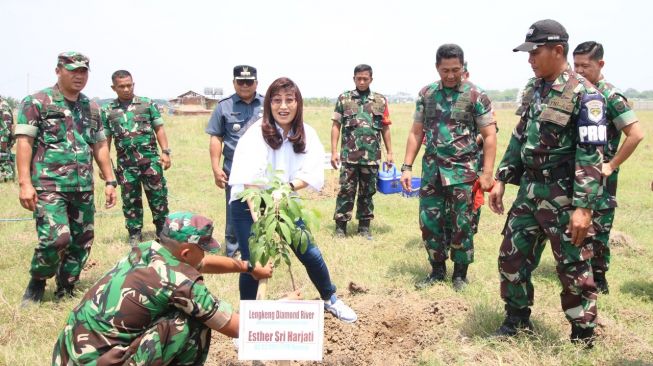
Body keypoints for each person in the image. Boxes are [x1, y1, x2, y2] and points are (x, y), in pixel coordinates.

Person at [489, 20, 606, 347]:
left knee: (573, 268)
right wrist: (502, 177)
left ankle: (582, 336)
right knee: (511, 257)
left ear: (558, 51)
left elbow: (590, 155)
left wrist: (583, 206)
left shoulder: (586, 95)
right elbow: (519, 135)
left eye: (535, 52)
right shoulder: (532, 88)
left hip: (565, 198)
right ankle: (516, 319)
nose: (529, 59)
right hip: (529, 193)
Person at [51, 211, 273, 365]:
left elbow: (201, 264)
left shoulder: (147, 250)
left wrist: (249, 267)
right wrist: (278, 310)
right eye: (203, 248)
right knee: (190, 321)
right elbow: (236, 327)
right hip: (102, 360)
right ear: (185, 253)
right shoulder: (182, 285)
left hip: (69, 354)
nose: (205, 254)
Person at [229, 77, 358, 323]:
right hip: (248, 203)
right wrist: (262, 226)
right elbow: (250, 183)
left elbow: (310, 174)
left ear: (298, 103)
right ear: (269, 105)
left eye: (289, 100)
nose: (283, 106)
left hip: (284, 201)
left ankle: (331, 299)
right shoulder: (255, 134)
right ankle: (246, 321)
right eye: (277, 100)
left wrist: (286, 190)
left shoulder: (306, 133)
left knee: (309, 251)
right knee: (254, 261)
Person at [15, 52, 117, 305]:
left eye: (83, 71)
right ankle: (38, 280)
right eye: (73, 71)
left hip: (82, 185)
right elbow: (24, 143)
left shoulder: (91, 106)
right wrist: (25, 183)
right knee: (56, 239)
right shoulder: (37, 102)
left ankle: (66, 287)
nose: (79, 76)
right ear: (58, 70)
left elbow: (100, 144)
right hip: (49, 185)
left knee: (82, 240)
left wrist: (110, 180)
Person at [400, 44, 497, 291]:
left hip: (463, 172)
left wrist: (487, 174)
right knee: (429, 222)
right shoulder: (427, 94)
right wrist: (407, 167)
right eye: (445, 70)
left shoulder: (476, 95)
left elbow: (489, 136)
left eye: (456, 69)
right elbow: (416, 133)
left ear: (463, 67)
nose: (451, 75)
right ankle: (437, 270)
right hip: (432, 172)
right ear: (437, 68)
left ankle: (460, 275)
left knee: (462, 223)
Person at [572, 41, 644, 294]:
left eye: (585, 66)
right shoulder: (576, 91)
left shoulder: (610, 96)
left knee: (599, 229)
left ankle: (599, 279)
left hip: (601, 178)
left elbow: (636, 134)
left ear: (600, 64)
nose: (579, 71)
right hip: (579, 174)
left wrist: (611, 165)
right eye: (576, 65)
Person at [101, 70, 171, 246]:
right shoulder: (108, 111)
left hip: (150, 162)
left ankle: (163, 231)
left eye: (129, 85)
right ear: (113, 88)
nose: (126, 89)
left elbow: (159, 129)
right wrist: (106, 167)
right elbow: (105, 140)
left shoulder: (147, 104)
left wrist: (165, 151)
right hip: (126, 165)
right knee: (130, 200)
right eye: (121, 86)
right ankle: (134, 233)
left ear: (133, 84)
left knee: (158, 197)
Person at [207, 65, 264, 257]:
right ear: (234, 83)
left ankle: (261, 247)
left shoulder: (268, 104)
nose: (245, 85)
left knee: (263, 207)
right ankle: (233, 251)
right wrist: (215, 168)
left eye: (249, 82)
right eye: (241, 82)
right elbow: (216, 138)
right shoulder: (224, 106)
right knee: (235, 210)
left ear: (256, 83)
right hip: (234, 168)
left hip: (263, 168)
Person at [331, 64, 393, 240]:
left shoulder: (380, 101)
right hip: (349, 156)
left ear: (371, 79)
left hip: (371, 157)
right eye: (359, 78)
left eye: (365, 78)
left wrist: (390, 153)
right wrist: (334, 151)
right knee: (346, 191)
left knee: (368, 193)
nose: (362, 81)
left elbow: (385, 128)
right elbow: (336, 125)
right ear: (354, 79)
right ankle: (340, 227)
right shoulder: (344, 99)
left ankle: (364, 227)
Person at [0, 96, 15, 182]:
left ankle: (8, 177)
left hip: (3, 138)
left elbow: (6, 128)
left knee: (4, 157)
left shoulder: (3, 109)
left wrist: (4, 141)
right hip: (3, 137)